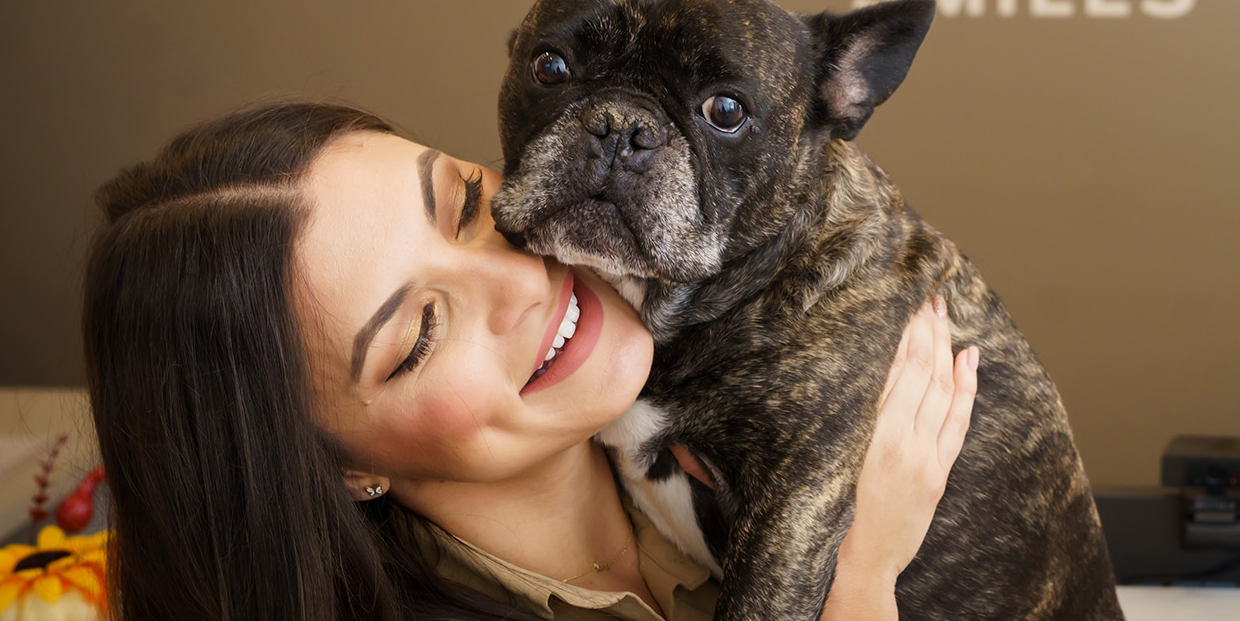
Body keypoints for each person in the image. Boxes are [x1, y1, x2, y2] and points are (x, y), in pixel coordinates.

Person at [83, 101, 979, 621]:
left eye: (468, 204)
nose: (517, 278)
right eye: (421, 334)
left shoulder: (736, 424)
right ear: (343, 464)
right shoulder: (860, 529)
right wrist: (858, 581)